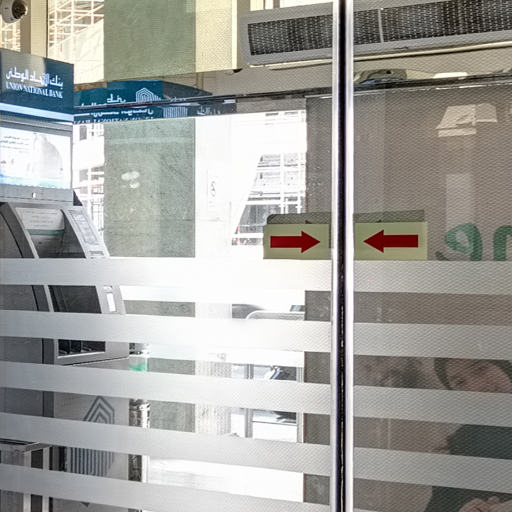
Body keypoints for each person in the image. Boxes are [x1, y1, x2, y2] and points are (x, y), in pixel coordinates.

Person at [425, 359, 512, 512]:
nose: (476, 388)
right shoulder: (463, 440)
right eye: (460, 383)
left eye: (480, 369)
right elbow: (439, 505)